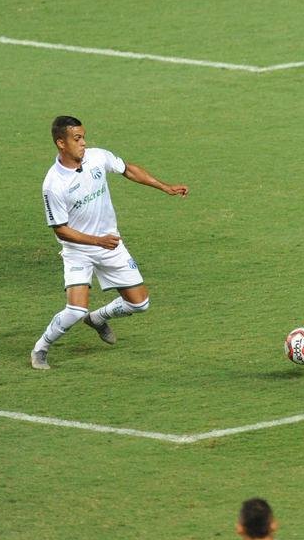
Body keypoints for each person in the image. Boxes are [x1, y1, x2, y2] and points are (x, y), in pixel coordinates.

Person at [31, 116, 187, 370]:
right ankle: (41, 348)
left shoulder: (97, 157)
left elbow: (127, 169)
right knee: (74, 310)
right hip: (80, 250)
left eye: (83, 137)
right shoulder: (54, 184)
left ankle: (98, 318)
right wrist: (97, 241)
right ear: (61, 143)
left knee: (140, 303)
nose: (84, 143)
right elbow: (60, 230)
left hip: (110, 244)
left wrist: (164, 187)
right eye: (77, 139)